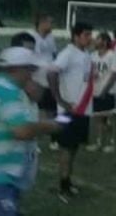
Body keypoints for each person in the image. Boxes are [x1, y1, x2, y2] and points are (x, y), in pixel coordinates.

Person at [0, 47, 62, 216]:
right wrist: (52, 126)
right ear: (17, 69)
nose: (31, 76)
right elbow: (22, 131)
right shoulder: (6, 91)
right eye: (30, 70)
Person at [47, 22, 95, 203]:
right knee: (65, 148)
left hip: (82, 110)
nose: (89, 38)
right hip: (67, 111)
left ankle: (67, 182)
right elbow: (51, 73)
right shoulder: (68, 53)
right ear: (76, 36)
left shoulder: (86, 54)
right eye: (86, 34)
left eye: (90, 34)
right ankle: (62, 186)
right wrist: (60, 100)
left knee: (73, 147)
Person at [86, 33, 116, 153]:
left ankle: (113, 143)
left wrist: (105, 90)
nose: (95, 40)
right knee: (98, 117)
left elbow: (114, 75)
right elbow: (89, 71)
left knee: (111, 117)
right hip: (95, 91)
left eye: (98, 39)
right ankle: (99, 142)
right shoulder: (92, 55)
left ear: (105, 42)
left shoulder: (112, 55)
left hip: (109, 91)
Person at [27, 14, 58, 150]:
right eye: (50, 22)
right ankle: (35, 141)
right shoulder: (31, 37)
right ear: (41, 23)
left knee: (53, 109)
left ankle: (54, 139)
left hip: (50, 79)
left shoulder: (51, 37)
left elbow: (54, 54)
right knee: (36, 111)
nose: (52, 25)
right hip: (37, 79)